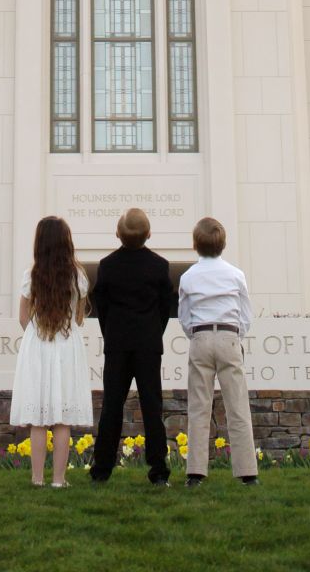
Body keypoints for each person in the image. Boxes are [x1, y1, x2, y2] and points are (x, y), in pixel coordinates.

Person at [89, 207, 178, 486]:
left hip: (117, 344)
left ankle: (101, 469)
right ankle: (158, 470)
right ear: (149, 234)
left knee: (112, 405)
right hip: (148, 344)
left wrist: (111, 333)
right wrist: (153, 332)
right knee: (152, 404)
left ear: (117, 233)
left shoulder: (107, 266)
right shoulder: (160, 266)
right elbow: (167, 307)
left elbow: (100, 306)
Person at [10, 215, 93, 488]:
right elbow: (79, 318)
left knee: (38, 418)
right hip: (67, 345)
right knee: (61, 418)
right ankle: (59, 479)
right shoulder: (78, 276)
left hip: (39, 343)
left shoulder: (30, 275)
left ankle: (36, 479)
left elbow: (23, 317)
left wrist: (37, 333)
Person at [177, 216, 257, 486]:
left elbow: (184, 316)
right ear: (223, 244)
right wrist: (234, 335)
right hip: (228, 336)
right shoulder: (235, 274)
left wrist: (197, 335)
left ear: (195, 245)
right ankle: (247, 473)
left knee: (199, 407)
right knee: (237, 406)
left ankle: (196, 473)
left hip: (200, 337)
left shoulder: (188, 277)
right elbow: (246, 314)